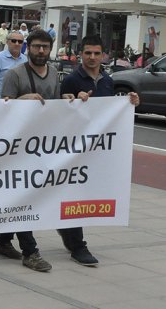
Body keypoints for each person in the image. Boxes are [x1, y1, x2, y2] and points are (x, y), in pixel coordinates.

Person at [58, 35, 140, 267]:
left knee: (86, 192)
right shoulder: (72, 80)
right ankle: (77, 245)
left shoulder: (107, 80)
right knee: (75, 192)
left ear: (103, 55)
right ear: (80, 54)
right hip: (74, 148)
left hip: (97, 150)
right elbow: (62, 111)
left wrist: (130, 102)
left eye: (96, 53)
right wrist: (73, 101)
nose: (92, 58)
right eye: (87, 53)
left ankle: (68, 231)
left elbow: (110, 112)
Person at [0, 29, 69, 272]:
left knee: (20, 198)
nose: (40, 51)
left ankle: (3, 240)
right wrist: (21, 101)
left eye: (45, 47)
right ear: (28, 47)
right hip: (16, 150)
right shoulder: (14, 74)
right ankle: (31, 251)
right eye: (36, 46)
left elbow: (55, 108)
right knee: (22, 198)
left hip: (41, 148)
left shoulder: (53, 75)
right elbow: (0, 110)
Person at [0, 31, 28, 99]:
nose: (17, 44)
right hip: (0, 102)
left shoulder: (25, 60)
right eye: (14, 41)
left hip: (18, 103)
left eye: (20, 41)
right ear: (7, 42)